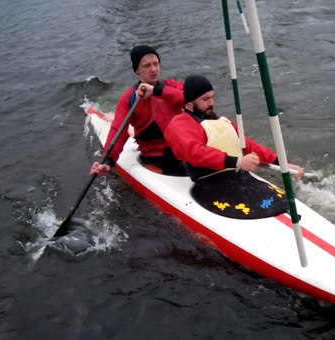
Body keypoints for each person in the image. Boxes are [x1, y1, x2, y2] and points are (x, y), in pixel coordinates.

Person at [164, 74, 305, 219]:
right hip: (210, 184)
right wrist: (237, 162)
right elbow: (194, 152)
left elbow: (248, 146)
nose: (211, 103)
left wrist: (283, 164)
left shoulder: (222, 120)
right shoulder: (179, 124)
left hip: (239, 178)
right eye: (205, 99)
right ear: (189, 102)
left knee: (280, 204)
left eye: (212, 97)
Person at [90, 45, 186, 177]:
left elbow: (193, 98)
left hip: (183, 151)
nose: (153, 69)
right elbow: (118, 131)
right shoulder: (128, 100)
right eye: (147, 66)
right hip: (156, 160)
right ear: (137, 70)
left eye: (156, 64)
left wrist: (157, 91)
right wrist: (107, 161)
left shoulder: (172, 86)